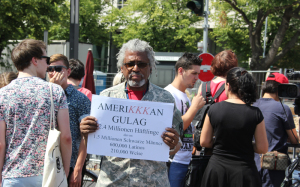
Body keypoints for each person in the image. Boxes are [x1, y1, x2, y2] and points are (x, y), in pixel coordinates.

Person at [80, 38, 183, 187]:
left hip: (152, 182)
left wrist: (173, 144)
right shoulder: (106, 98)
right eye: (130, 64)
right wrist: (85, 132)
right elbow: (93, 142)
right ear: (122, 68)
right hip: (113, 182)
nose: (135, 68)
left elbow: (176, 145)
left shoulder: (165, 99)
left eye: (141, 64)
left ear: (151, 68)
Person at [0, 39, 72, 187]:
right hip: (47, 174)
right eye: (46, 59)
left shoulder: (2, 94)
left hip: (13, 175)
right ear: (34, 60)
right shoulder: (54, 91)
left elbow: (0, 144)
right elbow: (66, 137)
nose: (47, 65)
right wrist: (63, 172)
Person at [200, 67, 268, 187]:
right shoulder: (255, 113)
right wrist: (245, 143)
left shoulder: (213, 109)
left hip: (217, 170)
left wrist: (222, 141)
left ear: (228, 85)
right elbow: (262, 148)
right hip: (244, 172)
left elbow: (204, 141)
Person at [48, 54, 91, 187]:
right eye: (50, 69)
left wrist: (78, 169)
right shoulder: (43, 95)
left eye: (58, 69)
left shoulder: (80, 98)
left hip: (70, 164)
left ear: (68, 71)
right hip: (45, 163)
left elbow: (87, 136)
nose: (54, 73)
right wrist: (51, 91)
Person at [164, 52, 206, 187]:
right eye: (194, 73)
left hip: (184, 160)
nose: (197, 78)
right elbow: (174, 127)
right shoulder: (169, 94)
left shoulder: (184, 95)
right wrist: (194, 108)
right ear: (181, 71)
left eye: (198, 74)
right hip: (174, 161)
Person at [253, 73, 299, 187]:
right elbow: (294, 140)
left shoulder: (252, 105)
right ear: (282, 89)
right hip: (273, 168)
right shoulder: (283, 108)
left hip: (252, 165)